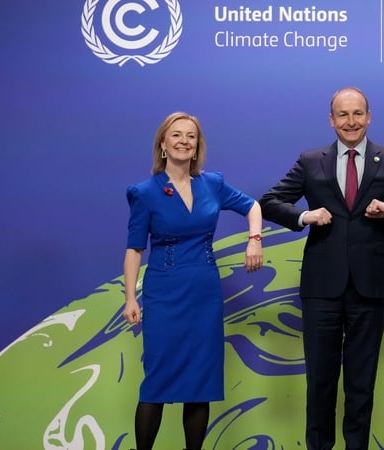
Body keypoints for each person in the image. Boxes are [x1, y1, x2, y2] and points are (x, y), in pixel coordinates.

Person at [259, 87, 384, 450]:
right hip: (321, 286)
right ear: (331, 120)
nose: (351, 122)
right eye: (343, 115)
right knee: (320, 380)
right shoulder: (311, 159)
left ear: (369, 116)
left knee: (362, 381)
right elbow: (269, 201)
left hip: (370, 286)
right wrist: (304, 215)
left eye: (357, 113)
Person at [122, 111, 264, 450]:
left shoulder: (212, 183)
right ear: (162, 145)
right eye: (176, 135)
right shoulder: (144, 193)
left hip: (204, 292)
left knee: (200, 382)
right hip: (164, 293)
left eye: (191, 136)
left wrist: (254, 239)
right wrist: (130, 297)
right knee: (157, 381)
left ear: (198, 145)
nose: (184, 141)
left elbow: (253, 206)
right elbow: (134, 249)